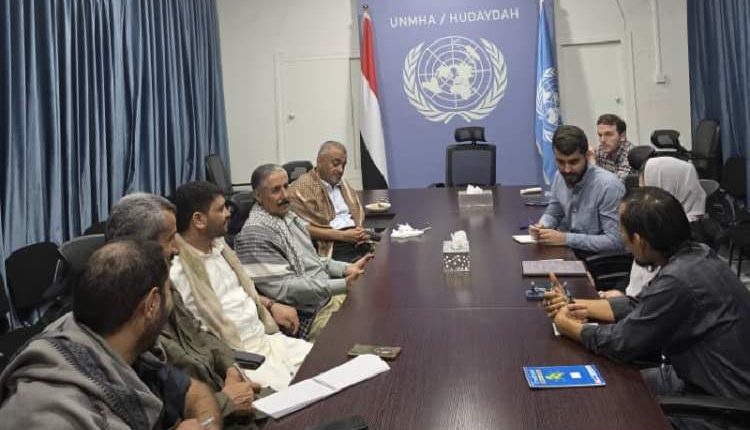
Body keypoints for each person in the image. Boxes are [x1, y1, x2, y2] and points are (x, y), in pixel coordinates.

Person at [545, 187, 750, 430]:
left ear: (640, 241)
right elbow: (641, 305)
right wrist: (574, 304)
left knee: (605, 406)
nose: (622, 239)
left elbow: (621, 343)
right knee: (611, 385)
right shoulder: (696, 255)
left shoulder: (678, 279)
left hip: (721, 408)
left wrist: (568, 326)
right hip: (697, 378)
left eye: (623, 232)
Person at [0, 240, 222, 429]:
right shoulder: (53, 415)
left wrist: (206, 424)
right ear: (152, 304)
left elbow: (196, 393)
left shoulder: (125, 347)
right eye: (169, 291)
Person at [106, 193, 259, 423]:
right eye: (170, 239)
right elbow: (160, 413)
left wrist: (230, 367)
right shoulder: (125, 316)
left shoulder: (163, 283)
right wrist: (226, 402)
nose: (177, 248)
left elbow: (199, 332)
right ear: (142, 247)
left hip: (224, 396)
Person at [171, 181, 312, 391]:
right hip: (240, 357)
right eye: (221, 209)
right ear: (199, 220)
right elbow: (192, 334)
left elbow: (240, 294)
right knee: (297, 394)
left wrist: (270, 305)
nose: (228, 213)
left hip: (267, 338)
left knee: (327, 360)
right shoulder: (178, 272)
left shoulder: (220, 248)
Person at [235, 164, 373, 340]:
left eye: (286, 186)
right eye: (276, 190)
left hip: (327, 297)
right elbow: (286, 289)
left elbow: (313, 260)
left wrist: (346, 269)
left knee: (379, 308)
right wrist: (343, 285)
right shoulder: (255, 234)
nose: (285, 195)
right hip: (310, 315)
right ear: (258, 196)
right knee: (366, 332)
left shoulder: (287, 216)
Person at [600, 156, 707, 298]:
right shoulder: (663, 222)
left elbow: (658, 294)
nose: (640, 199)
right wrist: (620, 290)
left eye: (645, 190)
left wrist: (622, 300)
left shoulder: (687, 236)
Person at [530, 125, 626, 253]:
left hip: (598, 260)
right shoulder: (560, 176)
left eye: (573, 162)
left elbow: (616, 241)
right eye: (560, 162)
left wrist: (566, 239)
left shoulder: (609, 186)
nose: (567, 169)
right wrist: (543, 227)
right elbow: (553, 213)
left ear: (587, 156)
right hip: (571, 252)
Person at [288, 141, 372, 262]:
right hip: (332, 246)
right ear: (319, 161)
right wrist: (342, 236)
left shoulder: (343, 184)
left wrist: (359, 230)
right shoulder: (301, 188)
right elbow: (299, 227)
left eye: (343, 165)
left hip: (358, 240)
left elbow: (356, 213)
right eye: (336, 163)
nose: (340, 170)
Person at [593, 113, 633, 180]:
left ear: (622, 136)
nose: (602, 140)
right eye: (600, 135)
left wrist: (593, 164)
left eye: (608, 134)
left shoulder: (631, 154)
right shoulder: (601, 150)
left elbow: (617, 184)